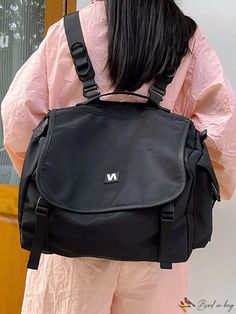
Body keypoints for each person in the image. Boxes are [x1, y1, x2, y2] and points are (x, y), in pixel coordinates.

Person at [1, 0, 236, 313]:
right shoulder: (186, 37)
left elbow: (18, 118)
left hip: (69, 239)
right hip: (158, 240)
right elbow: (223, 134)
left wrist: (53, 182)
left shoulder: (67, 32)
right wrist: (186, 184)